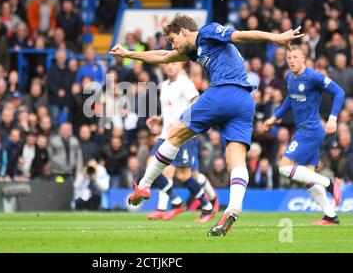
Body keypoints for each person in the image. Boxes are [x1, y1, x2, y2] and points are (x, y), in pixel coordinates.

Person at [109, 14, 303, 237]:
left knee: (174, 133)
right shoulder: (193, 50)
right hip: (243, 102)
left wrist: (275, 38)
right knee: (235, 159)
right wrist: (128, 54)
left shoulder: (208, 32)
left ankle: (144, 184)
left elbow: (240, 35)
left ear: (183, 31)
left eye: (173, 38)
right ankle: (233, 207)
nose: (172, 45)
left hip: (223, 93)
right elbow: (163, 56)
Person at [264, 46, 345, 225]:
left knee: (284, 166)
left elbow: (339, 92)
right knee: (308, 177)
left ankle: (330, 184)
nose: (292, 60)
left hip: (312, 130)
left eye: (295, 57)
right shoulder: (289, 77)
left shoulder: (313, 76)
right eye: (289, 57)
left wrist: (332, 119)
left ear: (303, 58)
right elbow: (289, 99)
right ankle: (330, 216)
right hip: (303, 130)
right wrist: (274, 117)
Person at [146, 61, 218, 223]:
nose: (170, 66)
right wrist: (158, 119)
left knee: (184, 176)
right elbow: (170, 111)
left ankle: (207, 207)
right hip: (166, 135)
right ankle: (177, 202)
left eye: (174, 64)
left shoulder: (185, 83)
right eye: (167, 64)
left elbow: (197, 103)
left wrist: (182, 120)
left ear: (180, 66)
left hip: (183, 135)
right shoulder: (163, 85)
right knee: (152, 167)